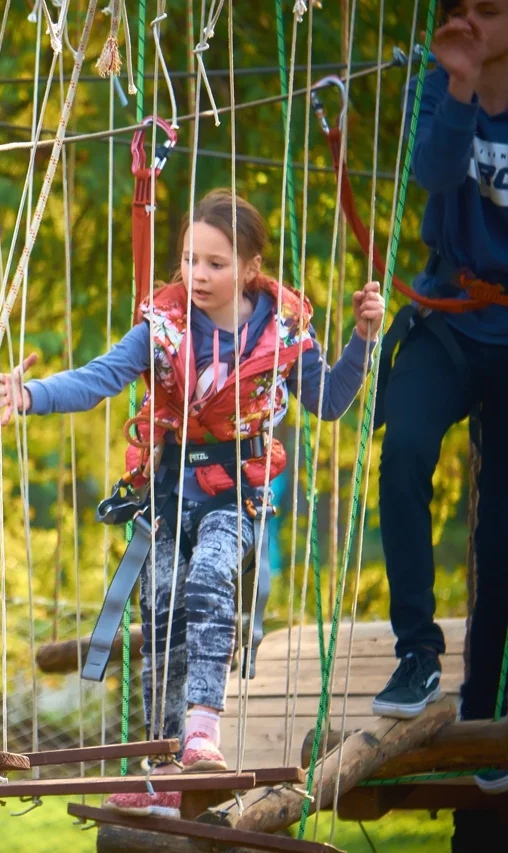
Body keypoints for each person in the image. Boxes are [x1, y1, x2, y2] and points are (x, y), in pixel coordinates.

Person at [0, 189, 383, 819]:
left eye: (216, 264)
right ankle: (161, 769)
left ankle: (203, 731)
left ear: (250, 268)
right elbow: (101, 376)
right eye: (189, 261)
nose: (198, 275)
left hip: (238, 490)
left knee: (208, 582)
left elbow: (331, 401)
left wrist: (363, 338)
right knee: (166, 617)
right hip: (169, 488)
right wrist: (32, 393)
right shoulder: (165, 325)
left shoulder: (284, 326)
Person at [372, 0, 508, 816]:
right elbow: (430, 174)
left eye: (490, 12)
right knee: (405, 449)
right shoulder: (439, 84)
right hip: (449, 315)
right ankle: (417, 649)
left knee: (499, 527)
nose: (473, 22)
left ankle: (485, 698)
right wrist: (459, 89)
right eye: (464, 9)